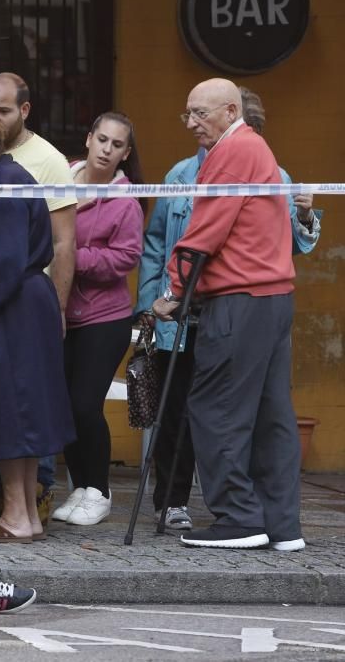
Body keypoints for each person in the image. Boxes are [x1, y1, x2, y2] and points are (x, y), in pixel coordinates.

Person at [137, 86, 321, 532]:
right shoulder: (258, 151)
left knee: (214, 406)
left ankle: (239, 518)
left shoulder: (232, 150)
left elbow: (205, 231)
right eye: (187, 114)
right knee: (271, 413)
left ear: (230, 111)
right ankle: (281, 525)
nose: (190, 122)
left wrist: (174, 292)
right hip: (272, 297)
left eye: (199, 113)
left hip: (239, 300)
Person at [0, 72, 80, 522]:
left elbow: (2, 262)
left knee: (15, 410)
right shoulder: (6, 174)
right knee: (27, 409)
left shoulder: (8, 181)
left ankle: (17, 515)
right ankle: (25, 517)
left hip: (12, 304)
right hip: (23, 300)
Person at [50, 113, 144, 527]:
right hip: (60, 311)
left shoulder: (125, 201)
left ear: (125, 153)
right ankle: (80, 488)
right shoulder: (62, 179)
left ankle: (100, 490)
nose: (107, 149)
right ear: (88, 140)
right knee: (64, 407)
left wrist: (73, 258)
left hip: (104, 318)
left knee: (86, 404)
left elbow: (127, 256)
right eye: (101, 139)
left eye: (117, 144)